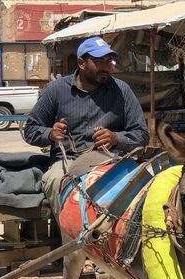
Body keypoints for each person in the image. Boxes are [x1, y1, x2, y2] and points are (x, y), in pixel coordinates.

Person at [23, 36, 149, 229]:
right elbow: (30, 130)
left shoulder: (122, 90)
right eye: (99, 61)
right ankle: (70, 240)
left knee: (141, 187)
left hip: (111, 160)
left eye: (109, 62)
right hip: (68, 162)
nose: (106, 67)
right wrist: (50, 133)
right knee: (56, 181)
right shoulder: (56, 90)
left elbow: (141, 134)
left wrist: (116, 138)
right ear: (81, 63)